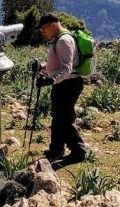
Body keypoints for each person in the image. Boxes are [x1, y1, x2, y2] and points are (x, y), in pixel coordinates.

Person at [36, 12, 87, 163]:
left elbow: (67, 69)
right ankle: (56, 150)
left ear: (53, 25)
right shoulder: (58, 39)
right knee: (58, 118)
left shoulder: (64, 40)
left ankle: (79, 151)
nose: (43, 32)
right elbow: (57, 65)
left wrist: (50, 80)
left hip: (68, 85)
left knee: (64, 120)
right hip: (62, 84)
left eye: (44, 28)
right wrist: (43, 67)